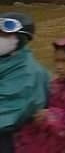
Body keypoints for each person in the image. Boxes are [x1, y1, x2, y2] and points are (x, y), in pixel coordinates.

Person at [0, 13, 49, 153]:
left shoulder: (27, 74)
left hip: (13, 139)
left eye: (4, 35)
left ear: (20, 40)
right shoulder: (6, 60)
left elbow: (6, 116)